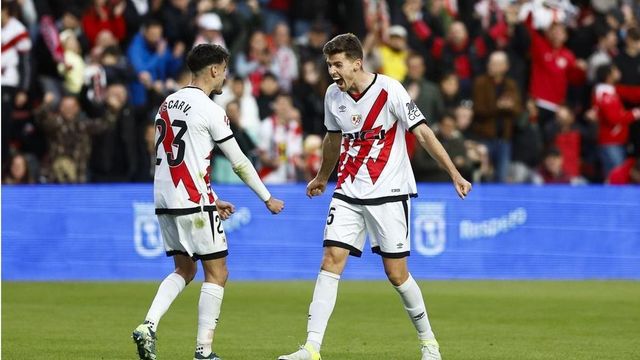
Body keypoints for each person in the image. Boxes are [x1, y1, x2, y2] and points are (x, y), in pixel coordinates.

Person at [279, 33, 471, 360]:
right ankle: (311, 348)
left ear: (357, 63)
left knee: (396, 274)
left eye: (337, 64)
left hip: (389, 193)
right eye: (329, 65)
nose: (332, 72)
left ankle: (429, 344)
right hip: (349, 192)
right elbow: (332, 139)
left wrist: (454, 172)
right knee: (330, 261)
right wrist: (323, 177)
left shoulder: (390, 90)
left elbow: (423, 132)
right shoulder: (332, 96)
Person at [131, 44, 284, 360]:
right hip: (192, 201)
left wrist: (211, 198)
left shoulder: (167, 103)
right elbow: (239, 162)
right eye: (225, 70)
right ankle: (204, 351)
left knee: (184, 269)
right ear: (214, 69)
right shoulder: (212, 110)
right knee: (218, 273)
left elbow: (178, 160)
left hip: (164, 200)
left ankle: (148, 324)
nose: (225, 76)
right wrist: (267, 197)